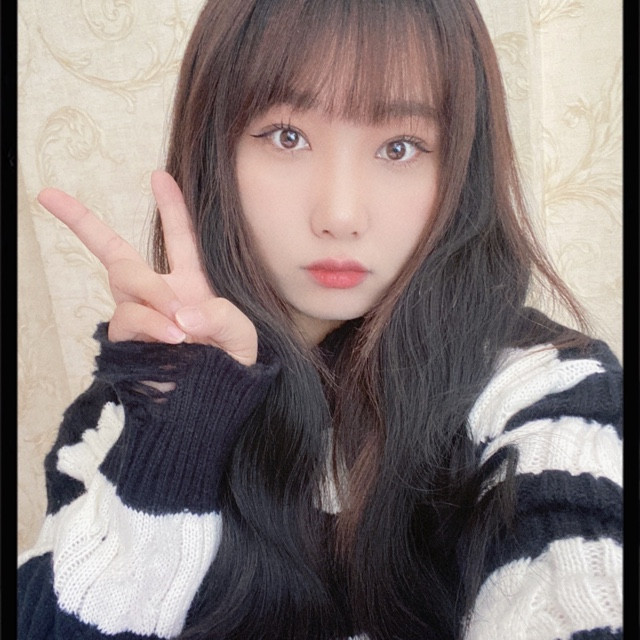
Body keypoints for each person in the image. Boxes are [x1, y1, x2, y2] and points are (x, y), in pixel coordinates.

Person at [17, 0, 622, 638]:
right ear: (215, 154)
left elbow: (580, 576)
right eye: (288, 137)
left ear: (461, 170)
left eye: (400, 147)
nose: (340, 214)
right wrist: (176, 437)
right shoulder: (131, 410)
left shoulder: (544, 390)